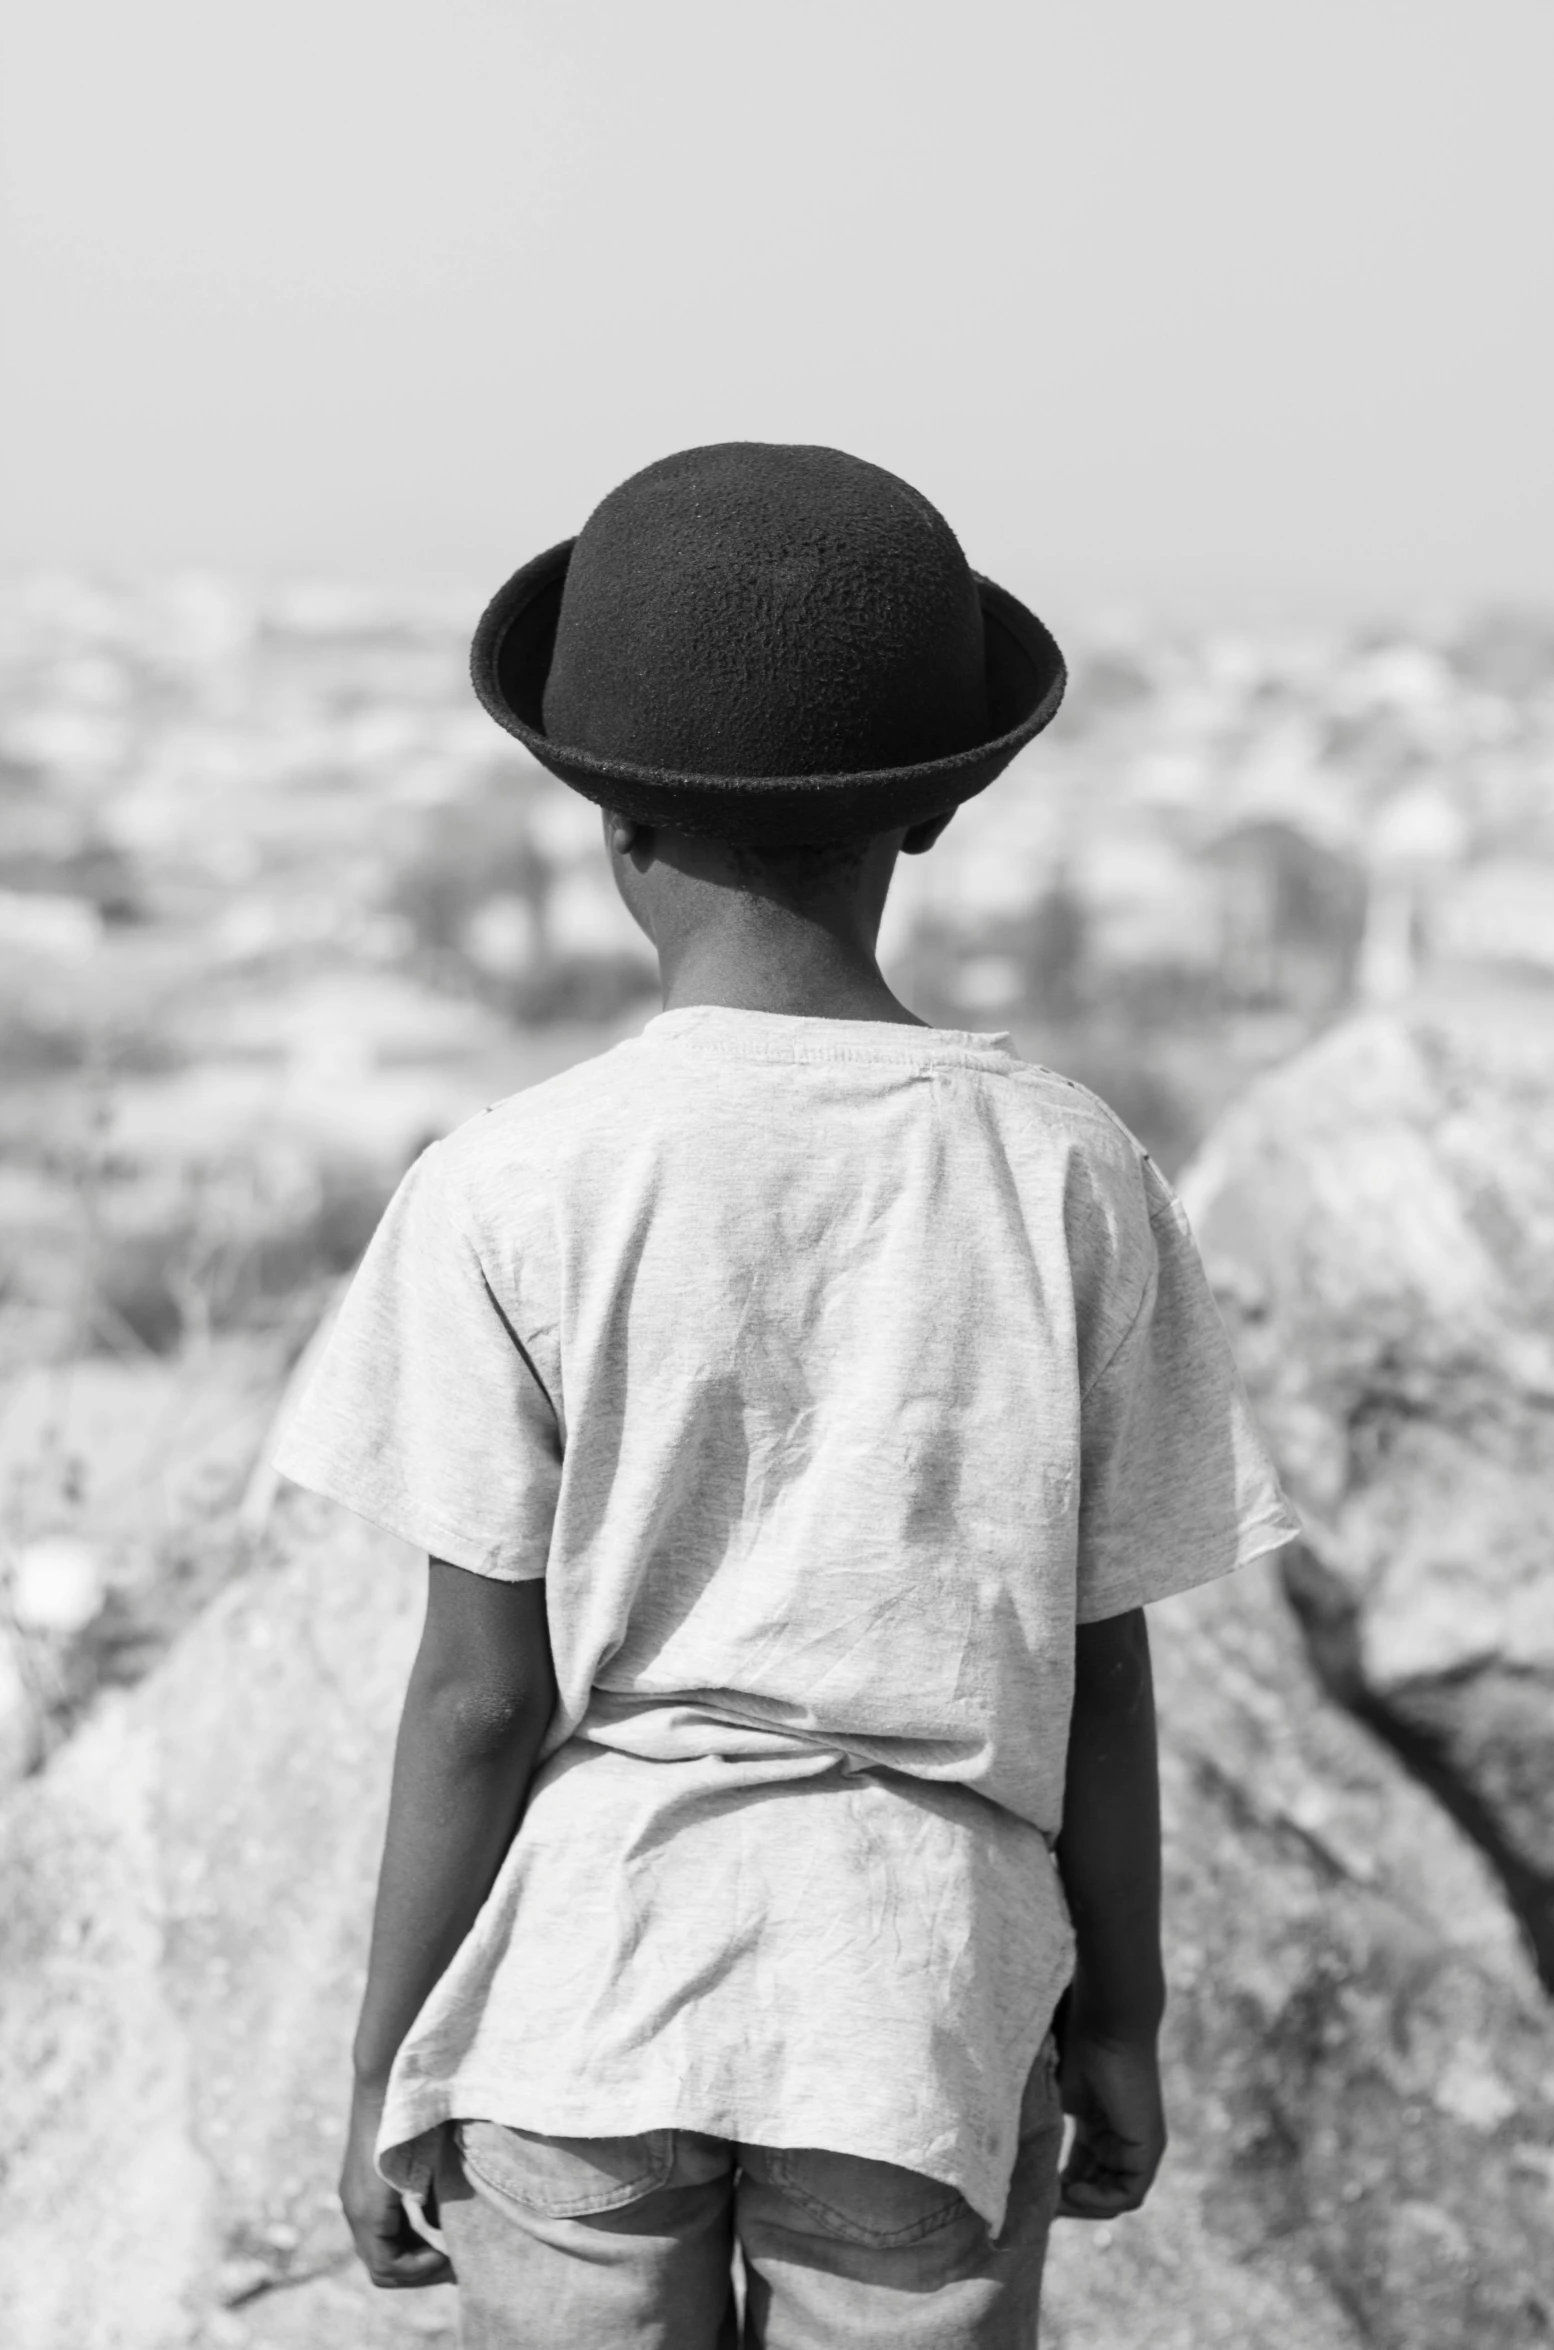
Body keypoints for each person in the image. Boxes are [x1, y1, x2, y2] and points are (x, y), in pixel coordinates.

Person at [271, 442, 1297, 2349]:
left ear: (609, 825)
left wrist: (384, 2063)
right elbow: (1104, 1664)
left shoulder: (513, 1178)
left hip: (589, 1982)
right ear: (928, 818)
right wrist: (1124, 2018)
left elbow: (480, 1692)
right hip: (918, 1996)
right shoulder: (1071, 1174)